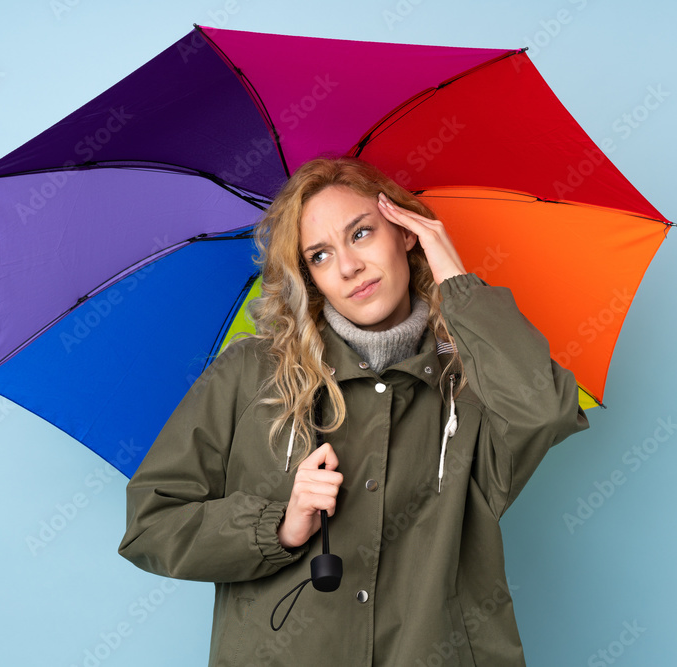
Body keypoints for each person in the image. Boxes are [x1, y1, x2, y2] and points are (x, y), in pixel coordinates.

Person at [118, 156, 589, 666]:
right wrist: (279, 526)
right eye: (319, 256)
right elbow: (152, 523)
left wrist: (455, 278)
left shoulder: (473, 380)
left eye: (361, 233)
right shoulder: (250, 373)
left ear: (407, 233)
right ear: (308, 279)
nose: (348, 267)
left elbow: (545, 412)